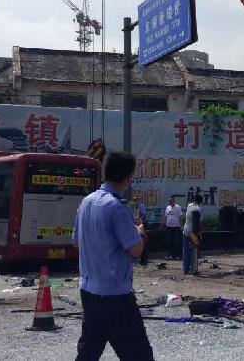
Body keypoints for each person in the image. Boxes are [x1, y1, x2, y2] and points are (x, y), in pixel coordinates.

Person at [72, 151, 154, 361]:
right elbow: (135, 250)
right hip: (115, 295)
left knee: (89, 352)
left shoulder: (86, 202)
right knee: (139, 355)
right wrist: (140, 233)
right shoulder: (116, 207)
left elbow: (76, 242)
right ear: (127, 177)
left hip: (88, 290)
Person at [182, 194, 202, 276]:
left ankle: (185, 269)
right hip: (192, 233)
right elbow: (198, 223)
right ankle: (193, 269)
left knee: (186, 251)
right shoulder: (197, 208)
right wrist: (199, 235)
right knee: (194, 251)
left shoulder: (189, 206)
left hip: (185, 230)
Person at [136, 201, 149, 267]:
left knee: (144, 248)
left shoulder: (141, 206)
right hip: (140, 235)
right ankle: (143, 261)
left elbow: (143, 215)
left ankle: (144, 261)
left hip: (141, 236)